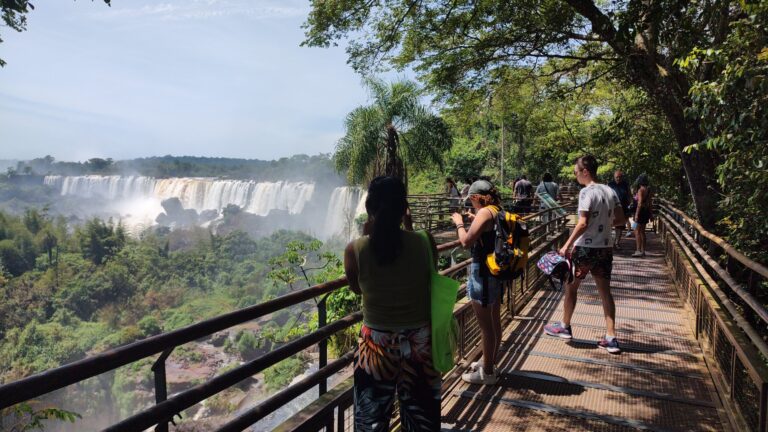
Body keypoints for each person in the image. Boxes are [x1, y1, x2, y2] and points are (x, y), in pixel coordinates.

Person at [344, 176, 441, 431]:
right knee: (422, 421)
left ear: (369, 208)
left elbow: (357, 289)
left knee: (371, 423)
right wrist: (410, 227)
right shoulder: (425, 241)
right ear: (403, 208)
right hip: (420, 344)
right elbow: (433, 274)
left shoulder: (355, 249)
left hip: (376, 346)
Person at [543, 155, 623, 354]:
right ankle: (611, 338)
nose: (575, 176)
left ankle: (565, 326)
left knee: (571, 288)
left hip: (585, 248)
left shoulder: (586, 192)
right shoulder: (610, 191)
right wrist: (602, 227)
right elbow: (621, 219)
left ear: (585, 172)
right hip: (605, 247)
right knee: (605, 292)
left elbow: (583, 223)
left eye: (576, 172)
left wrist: (566, 246)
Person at [451, 179, 503, 384]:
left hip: (483, 271)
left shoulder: (484, 212)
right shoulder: (496, 209)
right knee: (494, 321)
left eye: (471, 201)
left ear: (475, 197)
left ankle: (487, 373)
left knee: (485, 326)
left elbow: (465, 242)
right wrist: (475, 218)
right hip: (496, 271)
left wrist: (459, 223)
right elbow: (488, 232)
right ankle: (489, 362)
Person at [608, 170, 631, 249]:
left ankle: (617, 243)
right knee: (610, 225)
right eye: (617, 177)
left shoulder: (625, 184)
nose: (618, 178)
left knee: (620, 226)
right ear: (614, 177)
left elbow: (629, 195)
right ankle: (610, 243)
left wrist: (629, 205)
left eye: (620, 177)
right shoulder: (610, 185)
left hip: (623, 208)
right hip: (612, 208)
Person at [632, 174, 653, 257]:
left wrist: (636, 214)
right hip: (646, 212)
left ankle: (638, 250)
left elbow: (639, 203)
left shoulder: (640, 190)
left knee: (636, 231)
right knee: (642, 232)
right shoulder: (649, 190)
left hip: (640, 212)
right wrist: (651, 215)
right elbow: (650, 203)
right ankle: (643, 250)